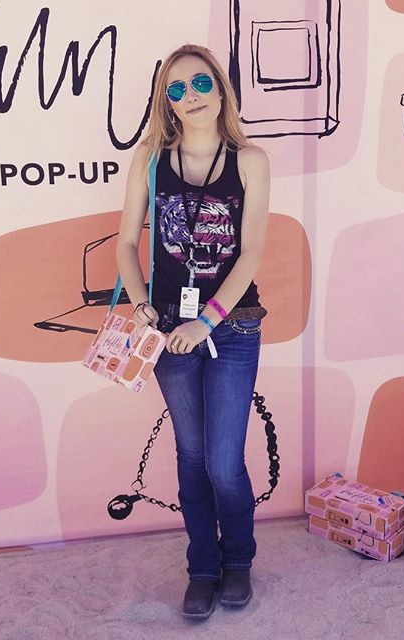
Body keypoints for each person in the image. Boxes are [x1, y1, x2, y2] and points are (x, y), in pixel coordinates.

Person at [116, 43, 270, 619]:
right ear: (167, 103)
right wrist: (141, 304)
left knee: (224, 463)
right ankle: (203, 567)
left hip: (231, 328)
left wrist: (206, 319)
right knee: (191, 455)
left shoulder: (250, 161)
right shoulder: (150, 159)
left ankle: (239, 560)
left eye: (201, 82)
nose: (191, 96)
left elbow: (252, 252)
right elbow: (126, 243)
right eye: (176, 89)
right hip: (167, 331)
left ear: (221, 89)